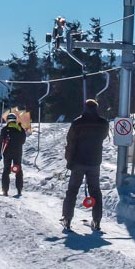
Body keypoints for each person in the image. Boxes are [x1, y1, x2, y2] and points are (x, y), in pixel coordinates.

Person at [60, 99, 109, 231]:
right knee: (96, 191)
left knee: (72, 191)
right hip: (94, 162)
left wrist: (69, 160)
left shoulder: (77, 123)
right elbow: (103, 136)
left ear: (85, 108)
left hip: (78, 162)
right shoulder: (103, 123)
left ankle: (67, 218)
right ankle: (97, 220)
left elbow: (70, 142)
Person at [0, 113, 27, 195]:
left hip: (7, 153)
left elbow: (1, 142)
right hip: (17, 153)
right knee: (18, 170)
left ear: (7, 120)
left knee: (6, 171)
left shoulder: (4, 129)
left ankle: (5, 190)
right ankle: (19, 189)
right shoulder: (20, 129)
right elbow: (23, 141)